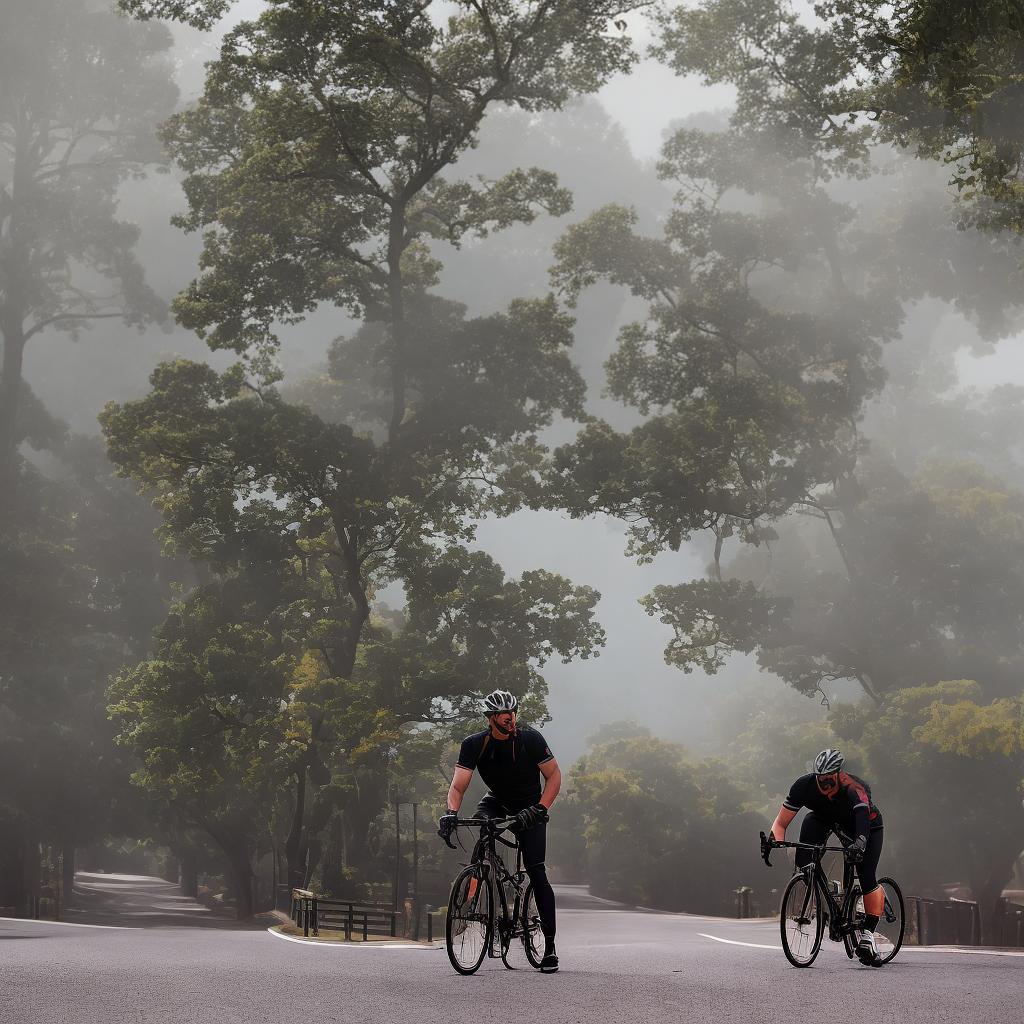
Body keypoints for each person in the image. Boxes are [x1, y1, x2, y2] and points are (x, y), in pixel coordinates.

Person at [438, 689, 562, 973]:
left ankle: (551, 948)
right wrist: (451, 813)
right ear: (492, 718)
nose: (511, 718)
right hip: (497, 800)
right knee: (482, 830)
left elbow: (554, 775)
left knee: (536, 870)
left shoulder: (530, 739)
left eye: (513, 713)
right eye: (505, 715)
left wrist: (540, 808)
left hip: (530, 805)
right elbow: (458, 785)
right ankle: (480, 879)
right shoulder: (474, 745)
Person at [766, 748, 885, 964]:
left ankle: (868, 934)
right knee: (805, 860)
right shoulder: (803, 786)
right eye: (820, 778)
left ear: (839, 773)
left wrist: (859, 844)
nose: (824, 782)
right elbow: (781, 822)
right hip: (827, 819)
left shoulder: (854, 787)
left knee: (866, 875)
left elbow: (862, 820)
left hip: (865, 826)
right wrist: (774, 841)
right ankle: (830, 900)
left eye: (829, 777)